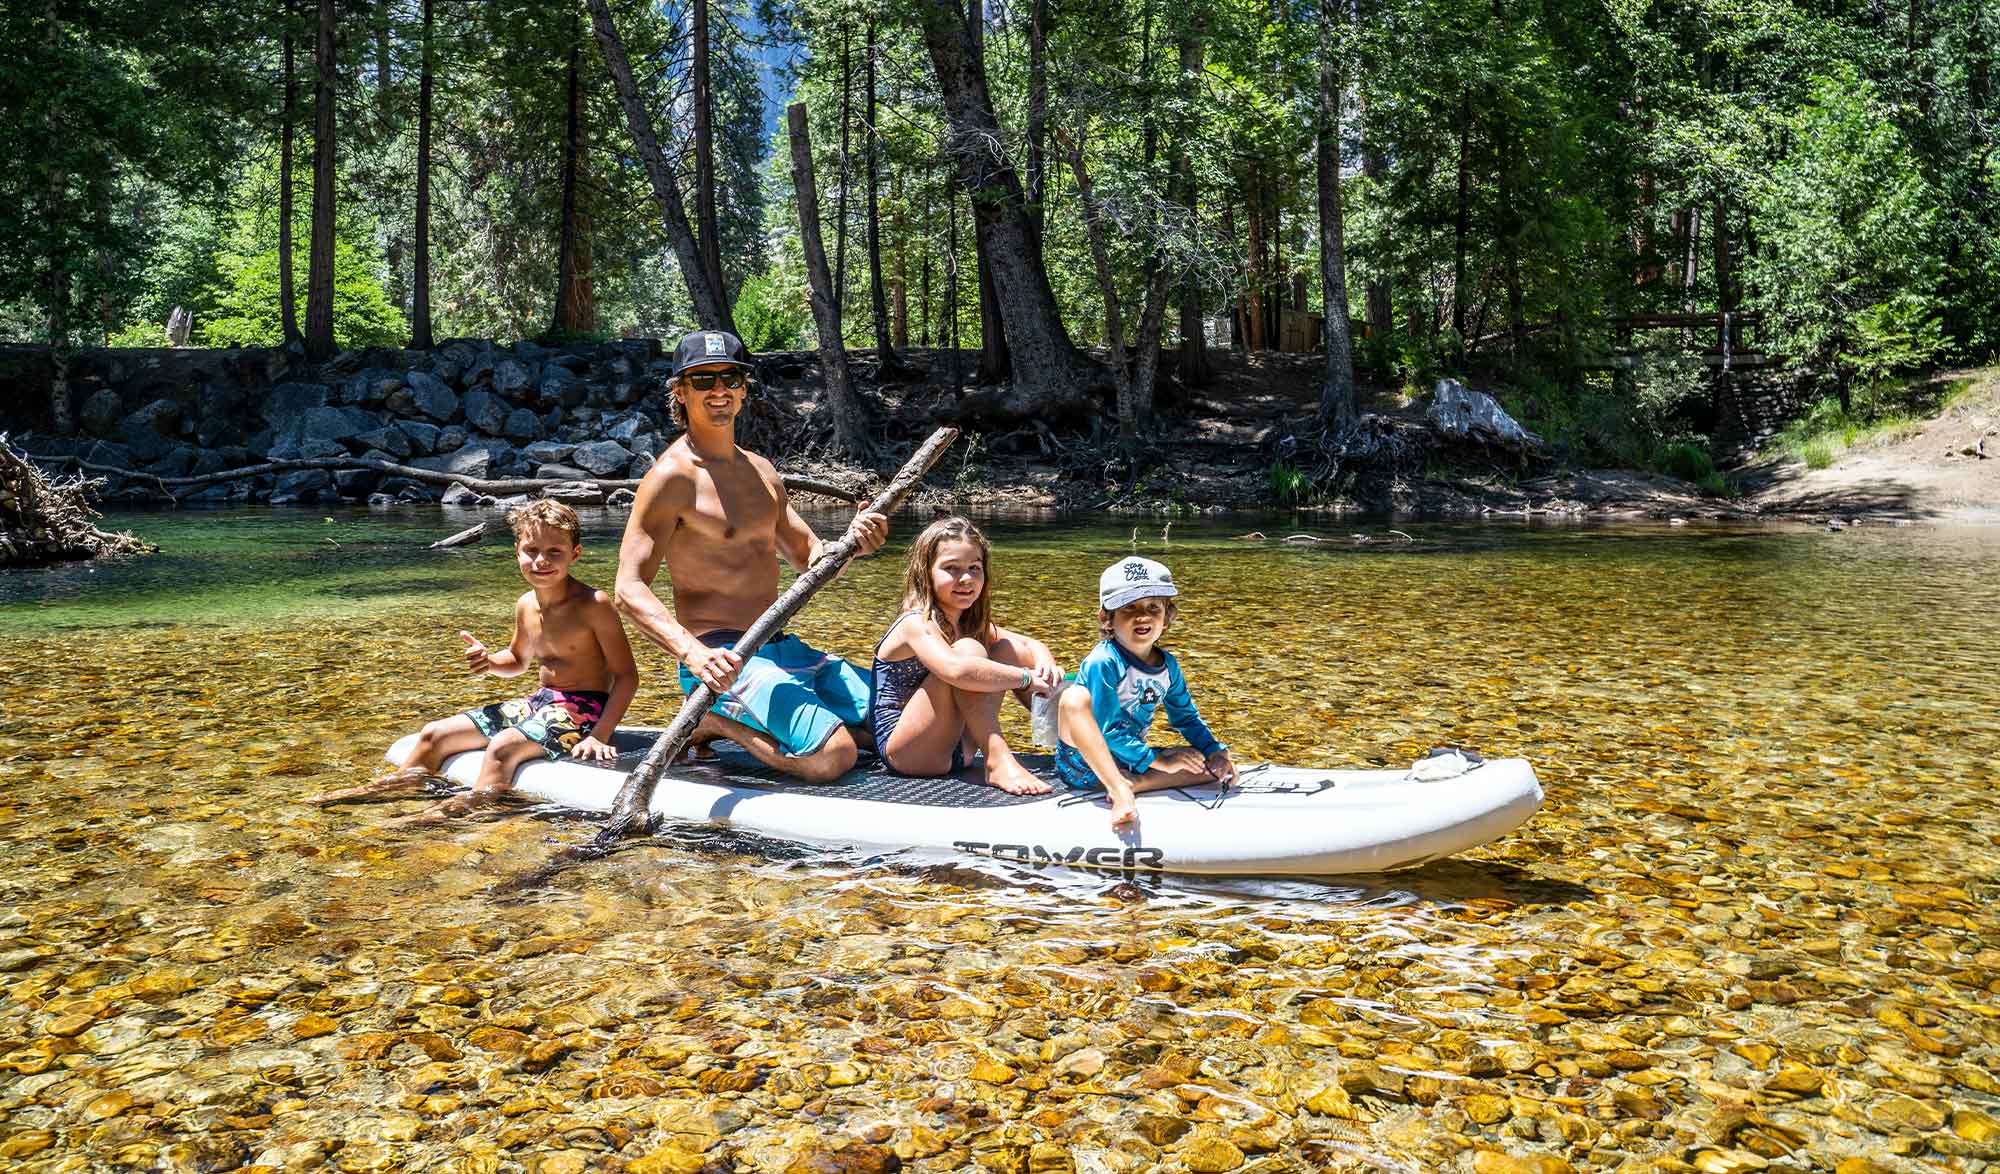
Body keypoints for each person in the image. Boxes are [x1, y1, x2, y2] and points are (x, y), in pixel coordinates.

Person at [614, 329, 888, 783]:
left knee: (909, 724)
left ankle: (778, 720)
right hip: (722, 658)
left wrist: (852, 543)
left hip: (785, 648)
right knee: (833, 756)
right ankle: (713, 722)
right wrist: (693, 654)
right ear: (680, 392)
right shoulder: (671, 478)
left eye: (730, 378)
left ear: (743, 388)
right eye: (703, 380)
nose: (718, 390)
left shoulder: (762, 471)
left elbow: (809, 559)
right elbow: (628, 588)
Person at [309, 499, 638, 820]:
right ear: (517, 552)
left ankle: (459, 810)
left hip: (585, 707)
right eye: (532, 551)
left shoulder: (594, 604)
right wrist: (491, 662)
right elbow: (517, 660)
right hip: (541, 700)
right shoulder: (526, 603)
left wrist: (600, 734)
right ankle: (391, 788)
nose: (541, 561)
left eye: (555, 552)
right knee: (434, 734)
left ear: (574, 554)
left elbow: (626, 676)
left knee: (503, 747)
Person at [870, 516, 1063, 793]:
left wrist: (1044, 661)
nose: (966, 579)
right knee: (969, 651)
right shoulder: (914, 623)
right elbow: (956, 670)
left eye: (974, 568)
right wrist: (1025, 678)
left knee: (1006, 650)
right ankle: (998, 758)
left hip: (959, 748)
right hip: (910, 754)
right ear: (925, 572)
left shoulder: (969, 622)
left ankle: (1072, 741)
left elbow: (1028, 645)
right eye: (951, 568)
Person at [1055, 556, 1236, 829]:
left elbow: (1186, 717)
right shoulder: (1103, 661)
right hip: (1084, 766)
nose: (1143, 616)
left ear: (1167, 617)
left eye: (1154, 607)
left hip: (1130, 760)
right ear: (1107, 617)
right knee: (1074, 697)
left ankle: (1136, 783)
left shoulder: (1168, 666)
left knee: (1214, 769)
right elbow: (1107, 730)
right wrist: (1158, 760)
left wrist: (1214, 751)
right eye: (1129, 607)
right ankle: (1119, 789)